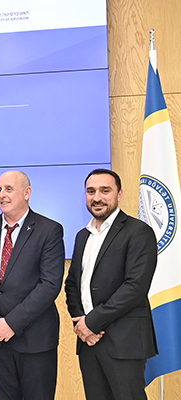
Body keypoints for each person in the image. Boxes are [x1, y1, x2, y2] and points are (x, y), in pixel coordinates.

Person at [0, 171, 65, 400]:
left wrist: (11, 323)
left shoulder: (49, 230)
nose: (2, 195)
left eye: (9, 189)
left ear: (27, 193)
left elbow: (49, 284)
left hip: (35, 340)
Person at [65, 168, 158, 400]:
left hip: (124, 342)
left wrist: (92, 322)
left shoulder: (139, 232)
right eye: (91, 191)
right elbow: (73, 284)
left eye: (105, 191)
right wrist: (81, 323)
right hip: (88, 342)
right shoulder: (82, 236)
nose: (97, 197)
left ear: (119, 194)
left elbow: (135, 287)